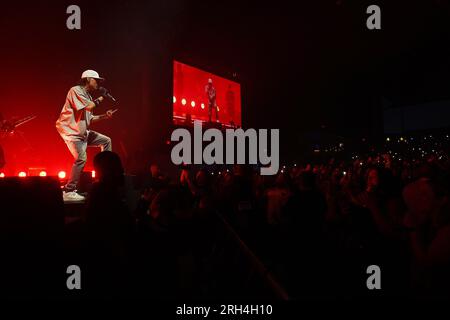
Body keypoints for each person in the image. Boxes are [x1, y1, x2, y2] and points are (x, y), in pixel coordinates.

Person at [56, 70, 116, 202]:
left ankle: (106, 176)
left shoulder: (88, 96)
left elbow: (90, 118)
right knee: (81, 158)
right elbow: (89, 107)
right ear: (88, 79)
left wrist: (105, 116)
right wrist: (102, 97)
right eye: (97, 80)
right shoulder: (75, 90)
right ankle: (68, 190)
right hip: (72, 133)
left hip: (82, 132)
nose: (98, 83)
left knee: (106, 141)